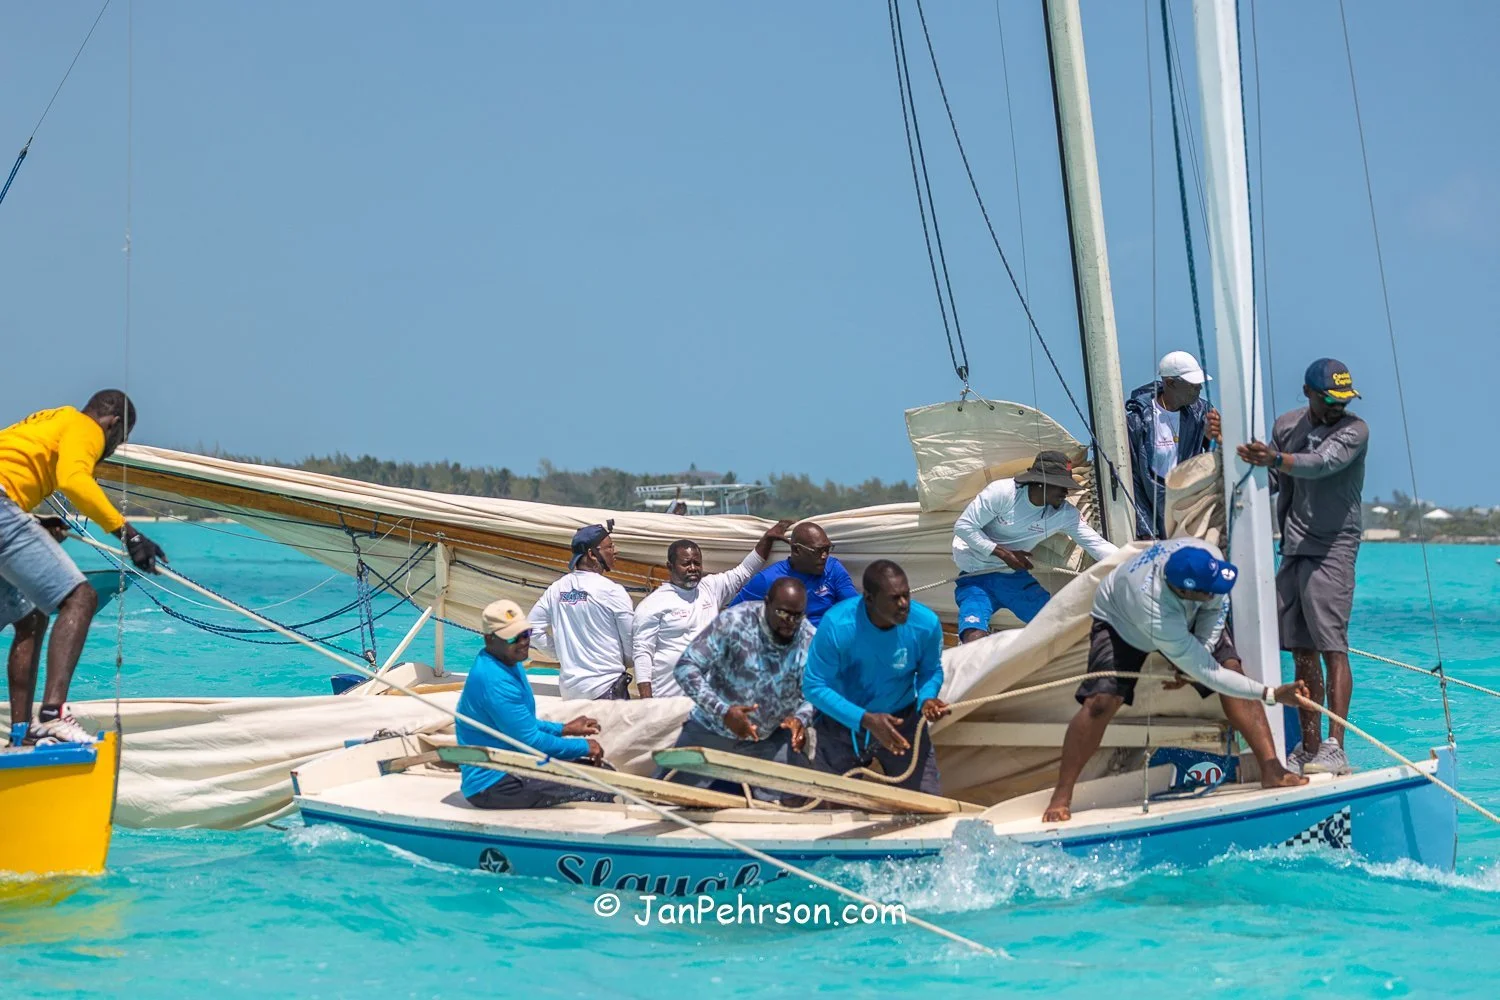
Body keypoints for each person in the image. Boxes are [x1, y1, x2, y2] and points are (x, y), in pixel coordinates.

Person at [1042, 539, 1309, 823]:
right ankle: (1062, 795)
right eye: (1211, 589)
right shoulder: (1155, 613)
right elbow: (1211, 675)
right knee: (1100, 702)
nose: (1218, 589)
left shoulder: (1209, 561)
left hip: (1183, 612)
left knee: (1231, 667)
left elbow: (1215, 608)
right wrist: (1271, 693)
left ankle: (1272, 769)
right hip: (1120, 619)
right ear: (1183, 590)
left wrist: (1199, 654)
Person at [0, 392, 167, 745]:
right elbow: (73, 479)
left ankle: (21, 735)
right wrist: (130, 536)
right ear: (114, 423)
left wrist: (35, 522)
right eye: (118, 442)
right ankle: (53, 714)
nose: (110, 450)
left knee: (30, 617)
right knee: (81, 598)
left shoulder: (50, 418)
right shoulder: (86, 426)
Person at [1237, 358, 1368, 776]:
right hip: (1293, 548)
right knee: (1300, 648)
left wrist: (1274, 459)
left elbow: (1322, 464)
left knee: (1333, 647)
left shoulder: (1354, 430)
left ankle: (1335, 744)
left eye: (1343, 401)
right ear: (1308, 392)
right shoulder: (1286, 427)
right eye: (1330, 400)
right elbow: (1273, 479)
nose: (1337, 408)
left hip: (1332, 547)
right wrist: (1233, 453)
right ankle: (1308, 746)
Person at [802, 560, 949, 795]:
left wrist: (928, 698)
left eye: (906, 595)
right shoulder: (837, 625)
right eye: (894, 598)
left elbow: (930, 670)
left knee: (926, 803)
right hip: (841, 724)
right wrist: (865, 719)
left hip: (901, 723)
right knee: (831, 808)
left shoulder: (926, 624)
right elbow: (813, 686)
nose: (904, 605)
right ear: (869, 598)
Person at [664, 577, 817, 800]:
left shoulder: (809, 637)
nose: (790, 623)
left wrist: (801, 718)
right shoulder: (734, 621)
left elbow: (817, 690)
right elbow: (686, 667)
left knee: (796, 804)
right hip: (711, 730)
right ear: (767, 604)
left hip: (769, 738)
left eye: (797, 616)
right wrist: (723, 711)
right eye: (783, 613)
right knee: (666, 800)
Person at [455, 599, 615, 809]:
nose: (523, 642)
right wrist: (582, 746)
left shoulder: (509, 660)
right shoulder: (494, 680)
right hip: (494, 784)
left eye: (526, 634)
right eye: (514, 637)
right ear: (489, 639)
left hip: (517, 763)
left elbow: (523, 724)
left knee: (606, 773)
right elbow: (530, 741)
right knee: (600, 788)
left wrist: (564, 729)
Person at [952, 450, 1117, 643]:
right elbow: (964, 527)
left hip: (1013, 579)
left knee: (1057, 627)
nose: (1066, 493)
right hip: (975, 576)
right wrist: (1005, 554)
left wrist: (1131, 562)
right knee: (973, 635)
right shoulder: (1003, 493)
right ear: (1040, 482)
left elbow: (1097, 545)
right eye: (1061, 486)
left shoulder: (1064, 514)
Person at [631, 519, 793, 698]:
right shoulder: (652, 604)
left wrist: (767, 539)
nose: (693, 568)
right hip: (669, 700)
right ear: (670, 566)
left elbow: (744, 572)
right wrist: (647, 702)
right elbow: (642, 655)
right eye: (686, 564)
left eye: (697, 563)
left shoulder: (710, 587)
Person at [529, 521, 635, 700]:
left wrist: (561, 654)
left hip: (571, 692)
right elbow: (631, 645)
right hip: (606, 689)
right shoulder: (612, 591)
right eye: (609, 546)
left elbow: (529, 628)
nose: (615, 551)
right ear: (592, 554)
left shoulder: (557, 589)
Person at [1125, 351, 1223, 539]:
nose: (1199, 388)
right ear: (1170, 383)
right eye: (1192, 384)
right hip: (1154, 507)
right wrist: (1144, 527)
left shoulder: (1202, 412)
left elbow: (1221, 452)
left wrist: (1218, 436)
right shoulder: (1137, 421)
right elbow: (1134, 478)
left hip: (1189, 506)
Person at [727, 521, 857, 629]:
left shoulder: (833, 568)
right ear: (796, 550)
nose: (824, 556)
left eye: (827, 549)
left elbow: (855, 610)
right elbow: (730, 620)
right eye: (818, 551)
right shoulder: (767, 580)